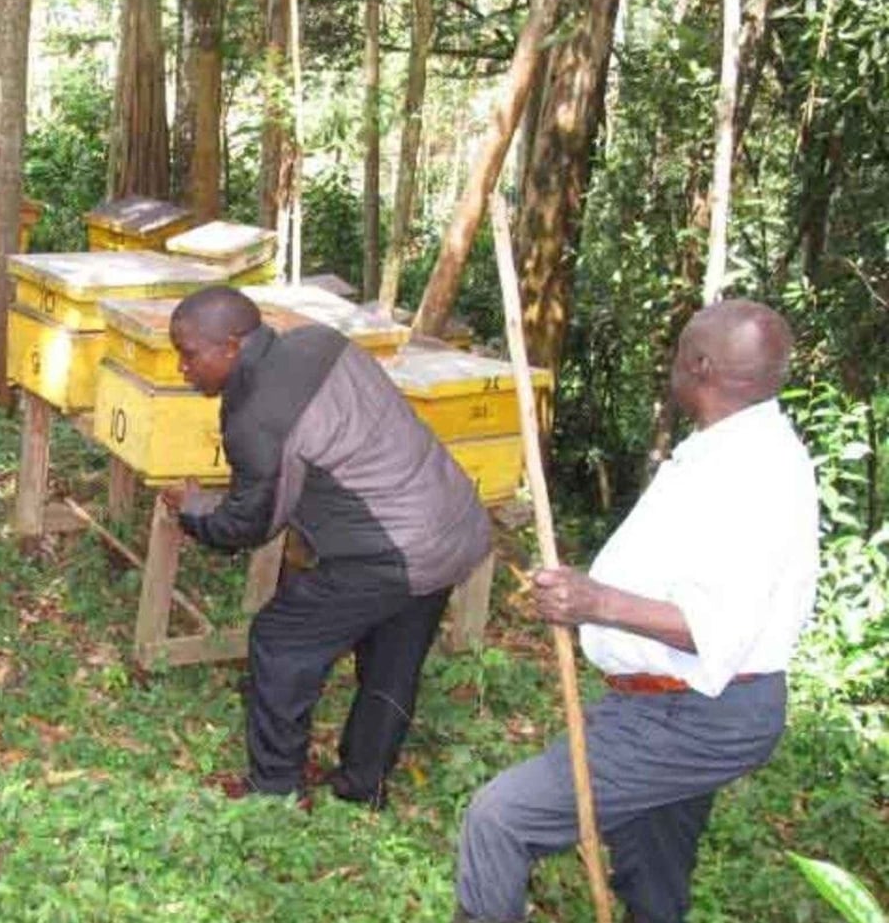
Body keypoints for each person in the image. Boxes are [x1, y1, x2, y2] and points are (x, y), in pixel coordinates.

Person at [453, 299, 819, 923]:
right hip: (668, 701)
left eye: (679, 351)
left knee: (501, 820)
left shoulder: (756, 471)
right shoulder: (723, 449)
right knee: (653, 871)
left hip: (695, 713)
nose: (670, 363)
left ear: (700, 366)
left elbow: (714, 628)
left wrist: (595, 601)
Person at [159, 286, 491, 807]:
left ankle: (274, 789)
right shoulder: (318, 341)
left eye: (189, 354)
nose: (183, 368)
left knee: (281, 639)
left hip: (395, 550)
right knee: (391, 660)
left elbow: (248, 526)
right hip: (455, 523)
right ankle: (364, 785)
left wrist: (194, 507)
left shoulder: (257, 417)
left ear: (231, 346)